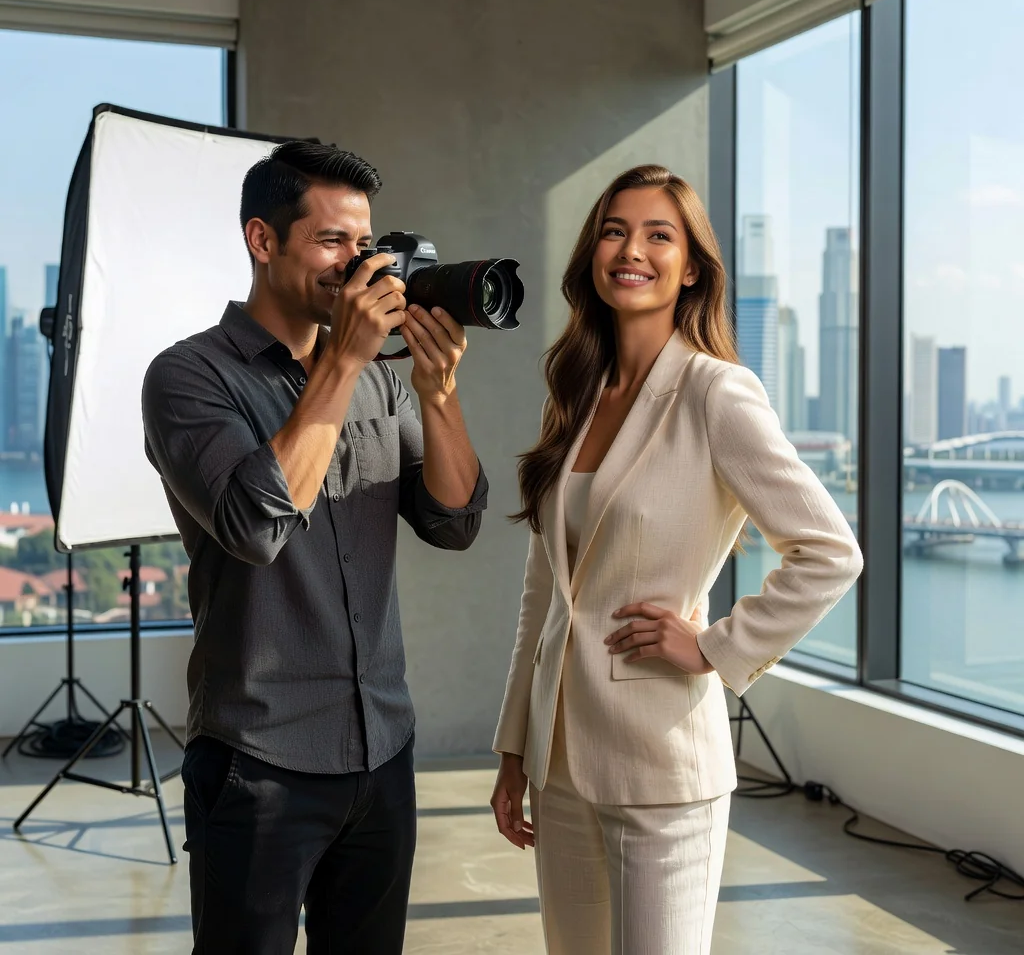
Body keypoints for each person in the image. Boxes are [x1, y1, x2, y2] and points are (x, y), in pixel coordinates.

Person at [489, 165, 862, 954]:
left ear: (691, 268)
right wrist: (515, 746)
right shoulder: (576, 395)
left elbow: (829, 552)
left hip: (660, 760)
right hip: (558, 761)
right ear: (593, 254)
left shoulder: (715, 392)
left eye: (659, 235)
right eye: (615, 231)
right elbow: (544, 594)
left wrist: (716, 647)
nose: (633, 250)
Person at [142, 141, 488, 954]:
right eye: (333, 241)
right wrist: (344, 362)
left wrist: (438, 394)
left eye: (363, 244)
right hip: (257, 759)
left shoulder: (382, 381)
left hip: (382, 748)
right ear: (262, 240)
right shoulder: (189, 376)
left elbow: (455, 521)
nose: (356, 266)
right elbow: (257, 525)